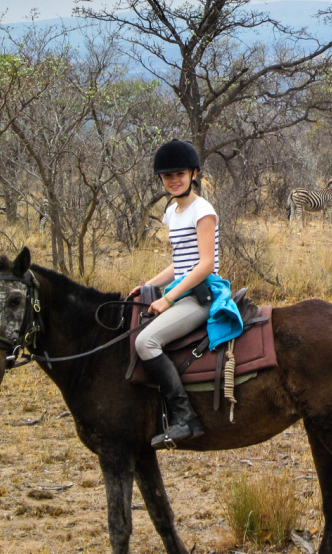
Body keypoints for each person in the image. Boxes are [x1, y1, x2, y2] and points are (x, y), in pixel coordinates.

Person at [130, 139, 219, 448]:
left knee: (146, 341)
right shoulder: (171, 212)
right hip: (184, 289)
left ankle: (185, 418)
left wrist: (168, 298)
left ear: (193, 173)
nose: (174, 180)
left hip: (202, 294)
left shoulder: (202, 210)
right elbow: (179, 263)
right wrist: (148, 284)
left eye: (180, 173)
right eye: (167, 176)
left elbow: (205, 264)